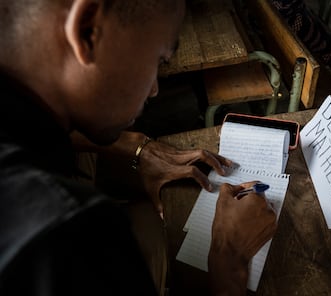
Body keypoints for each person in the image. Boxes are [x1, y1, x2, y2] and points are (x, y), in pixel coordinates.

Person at [0, 1, 277, 295]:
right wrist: (229, 257)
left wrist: (136, 147)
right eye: (160, 60)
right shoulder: (69, 238)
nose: (155, 89)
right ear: (88, 30)